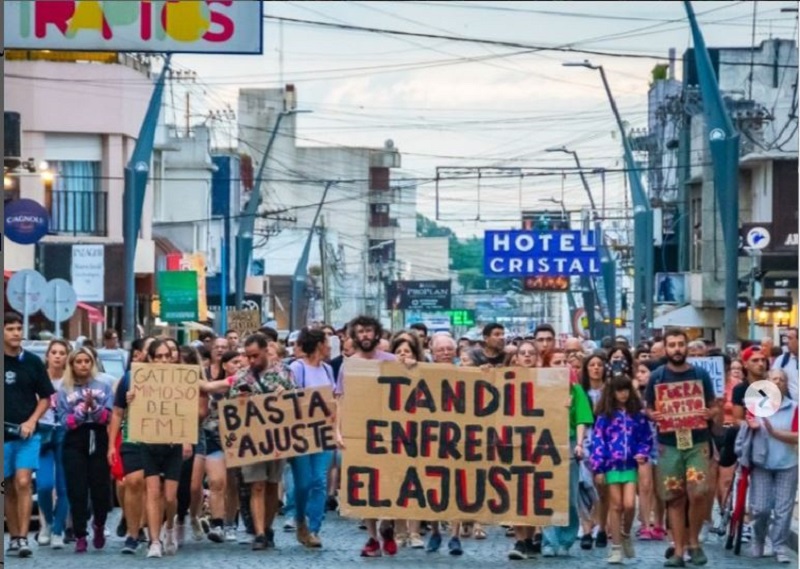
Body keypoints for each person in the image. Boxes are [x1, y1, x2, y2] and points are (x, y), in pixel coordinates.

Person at [645, 328, 718, 567]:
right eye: (672, 345)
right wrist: (652, 414)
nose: (677, 349)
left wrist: (710, 412)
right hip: (669, 444)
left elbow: (714, 406)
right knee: (674, 497)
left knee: (698, 492)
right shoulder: (657, 377)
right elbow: (647, 408)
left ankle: (694, 542)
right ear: (665, 348)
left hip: (697, 441)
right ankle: (678, 550)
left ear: (686, 347)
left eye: (680, 344)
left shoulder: (701, 374)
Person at [335, 316, 398, 558]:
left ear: (377, 333)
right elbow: (340, 399)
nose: (365, 335)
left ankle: (388, 523)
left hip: (390, 433)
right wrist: (338, 431)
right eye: (360, 331)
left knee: (389, 481)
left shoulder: (391, 361)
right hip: (359, 432)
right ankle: (372, 537)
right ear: (354, 336)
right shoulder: (348, 365)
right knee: (364, 486)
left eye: (368, 331)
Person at [236, 333, 295, 551]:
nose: (251, 361)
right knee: (257, 485)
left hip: (277, 438)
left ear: (265, 351)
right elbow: (231, 408)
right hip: (251, 440)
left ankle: (268, 527)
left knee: (271, 485)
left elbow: (299, 401)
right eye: (248, 356)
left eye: (255, 356)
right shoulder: (242, 377)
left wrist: (286, 394)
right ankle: (259, 532)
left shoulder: (283, 373)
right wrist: (240, 401)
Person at [4, 312, 56, 558]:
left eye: (18, 328)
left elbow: (46, 397)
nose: (15, 333)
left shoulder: (33, 362)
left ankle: (24, 538)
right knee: (8, 486)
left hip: (26, 433)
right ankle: (13, 536)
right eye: (10, 328)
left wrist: (32, 421)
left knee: (23, 481)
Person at [591, 374, 653, 565]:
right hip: (611, 465)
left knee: (629, 505)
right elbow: (597, 441)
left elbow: (646, 437)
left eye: (626, 390)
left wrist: (643, 452)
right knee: (615, 506)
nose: (623, 394)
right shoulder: (604, 416)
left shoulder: (638, 415)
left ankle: (625, 533)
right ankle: (616, 547)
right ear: (613, 392)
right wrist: (598, 467)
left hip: (630, 464)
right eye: (619, 390)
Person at [57, 347, 114, 553]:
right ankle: (80, 533)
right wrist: (82, 409)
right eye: (78, 361)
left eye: (86, 361)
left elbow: (108, 417)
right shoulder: (65, 389)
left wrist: (94, 407)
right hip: (75, 440)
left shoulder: (104, 386)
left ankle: (99, 524)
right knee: (77, 489)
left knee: (100, 488)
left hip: (98, 436)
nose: (83, 365)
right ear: (72, 365)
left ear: (92, 363)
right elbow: (66, 422)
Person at [288, 328, 337, 548]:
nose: (329, 346)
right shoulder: (297, 368)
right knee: (304, 483)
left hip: (323, 432)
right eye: (327, 342)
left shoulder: (327, 369)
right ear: (318, 344)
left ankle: (314, 528)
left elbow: (334, 401)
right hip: (300, 433)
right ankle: (300, 518)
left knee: (319, 480)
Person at [744, 369, 797, 564]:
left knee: (784, 509)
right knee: (761, 508)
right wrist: (751, 426)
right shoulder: (756, 404)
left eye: (782, 380)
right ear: (767, 382)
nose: (779, 382)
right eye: (774, 379)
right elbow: (745, 425)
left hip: (787, 462)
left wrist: (774, 432)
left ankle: (779, 545)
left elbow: (797, 435)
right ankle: (759, 540)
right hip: (762, 462)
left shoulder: (794, 407)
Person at [36, 339, 71, 549]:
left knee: (64, 486)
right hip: (44, 432)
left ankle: (58, 530)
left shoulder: (71, 381)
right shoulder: (38, 379)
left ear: (67, 357)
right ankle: (47, 523)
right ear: (47, 356)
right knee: (44, 485)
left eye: (62, 352)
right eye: (54, 352)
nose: (58, 356)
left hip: (66, 433)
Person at [773, 327, 798, 401]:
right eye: (787, 338)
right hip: (790, 407)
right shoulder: (781, 361)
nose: (787, 342)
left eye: (790, 338)